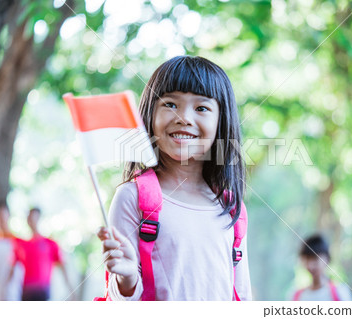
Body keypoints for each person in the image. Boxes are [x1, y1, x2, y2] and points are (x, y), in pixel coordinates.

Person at [97, 55, 252, 301]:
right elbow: (121, 302)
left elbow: (242, 295)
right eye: (170, 104)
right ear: (149, 114)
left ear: (221, 121)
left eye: (201, 108)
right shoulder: (132, 198)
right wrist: (126, 279)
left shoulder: (232, 207)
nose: (184, 118)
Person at [13, 207, 74, 301]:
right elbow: (11, 269)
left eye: (34, 217)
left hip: (43, 290)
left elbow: (63, 268)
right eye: (29, 217)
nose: (32, 220)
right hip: (26, 291)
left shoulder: (51, 244)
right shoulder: (21, 244)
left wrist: (71, 291)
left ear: (39, 218)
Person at [292, 234, 352, 301]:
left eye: (315, 259)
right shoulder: (298, 296)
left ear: (327, 259)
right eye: (307, 259)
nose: (310, 265)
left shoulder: (340, 292)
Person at [0, 200, 24, 301]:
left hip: (11, 294)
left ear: (8, 216)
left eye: (2, 216)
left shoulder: (17, 242)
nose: (0, 220)